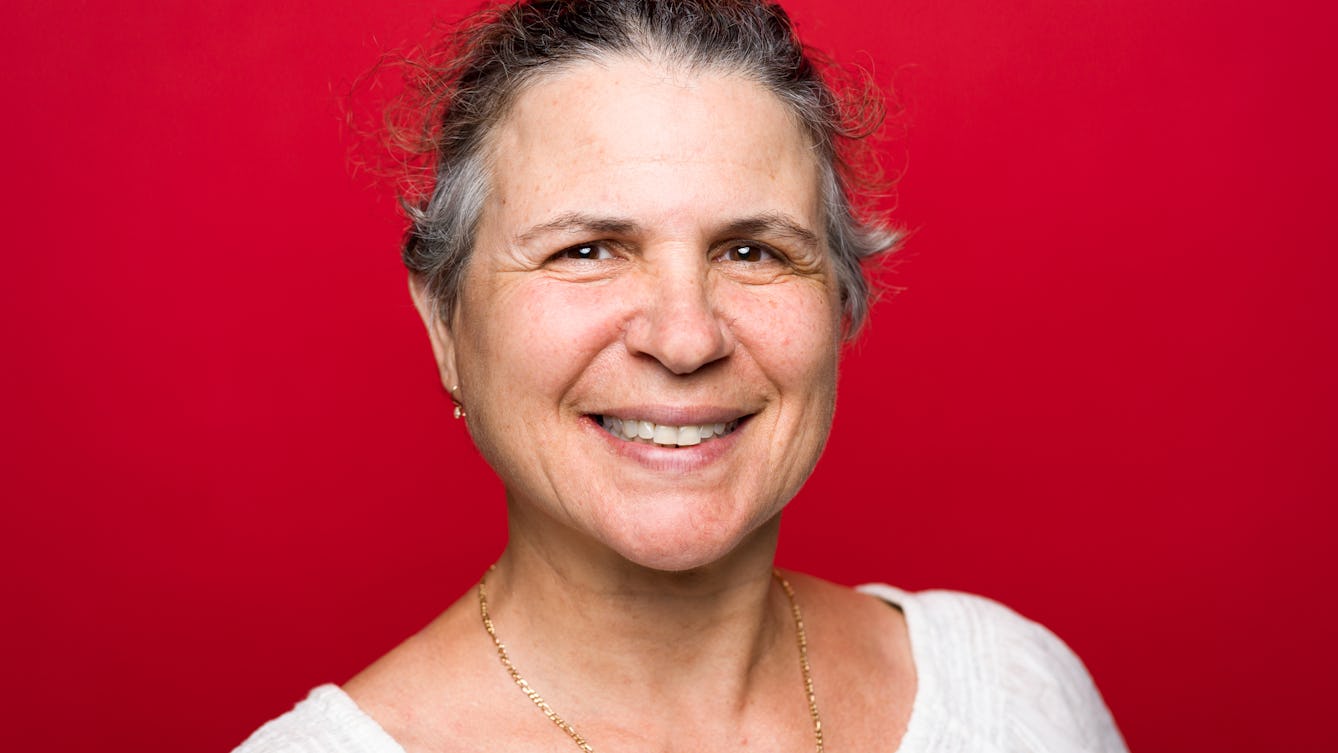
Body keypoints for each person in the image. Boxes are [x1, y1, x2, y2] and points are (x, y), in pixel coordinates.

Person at [235, 1, 1128, 751]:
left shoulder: (1016, 697)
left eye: (753, 250)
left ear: (843, 302)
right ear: (445, 321)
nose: (686, 336)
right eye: (586, 249)